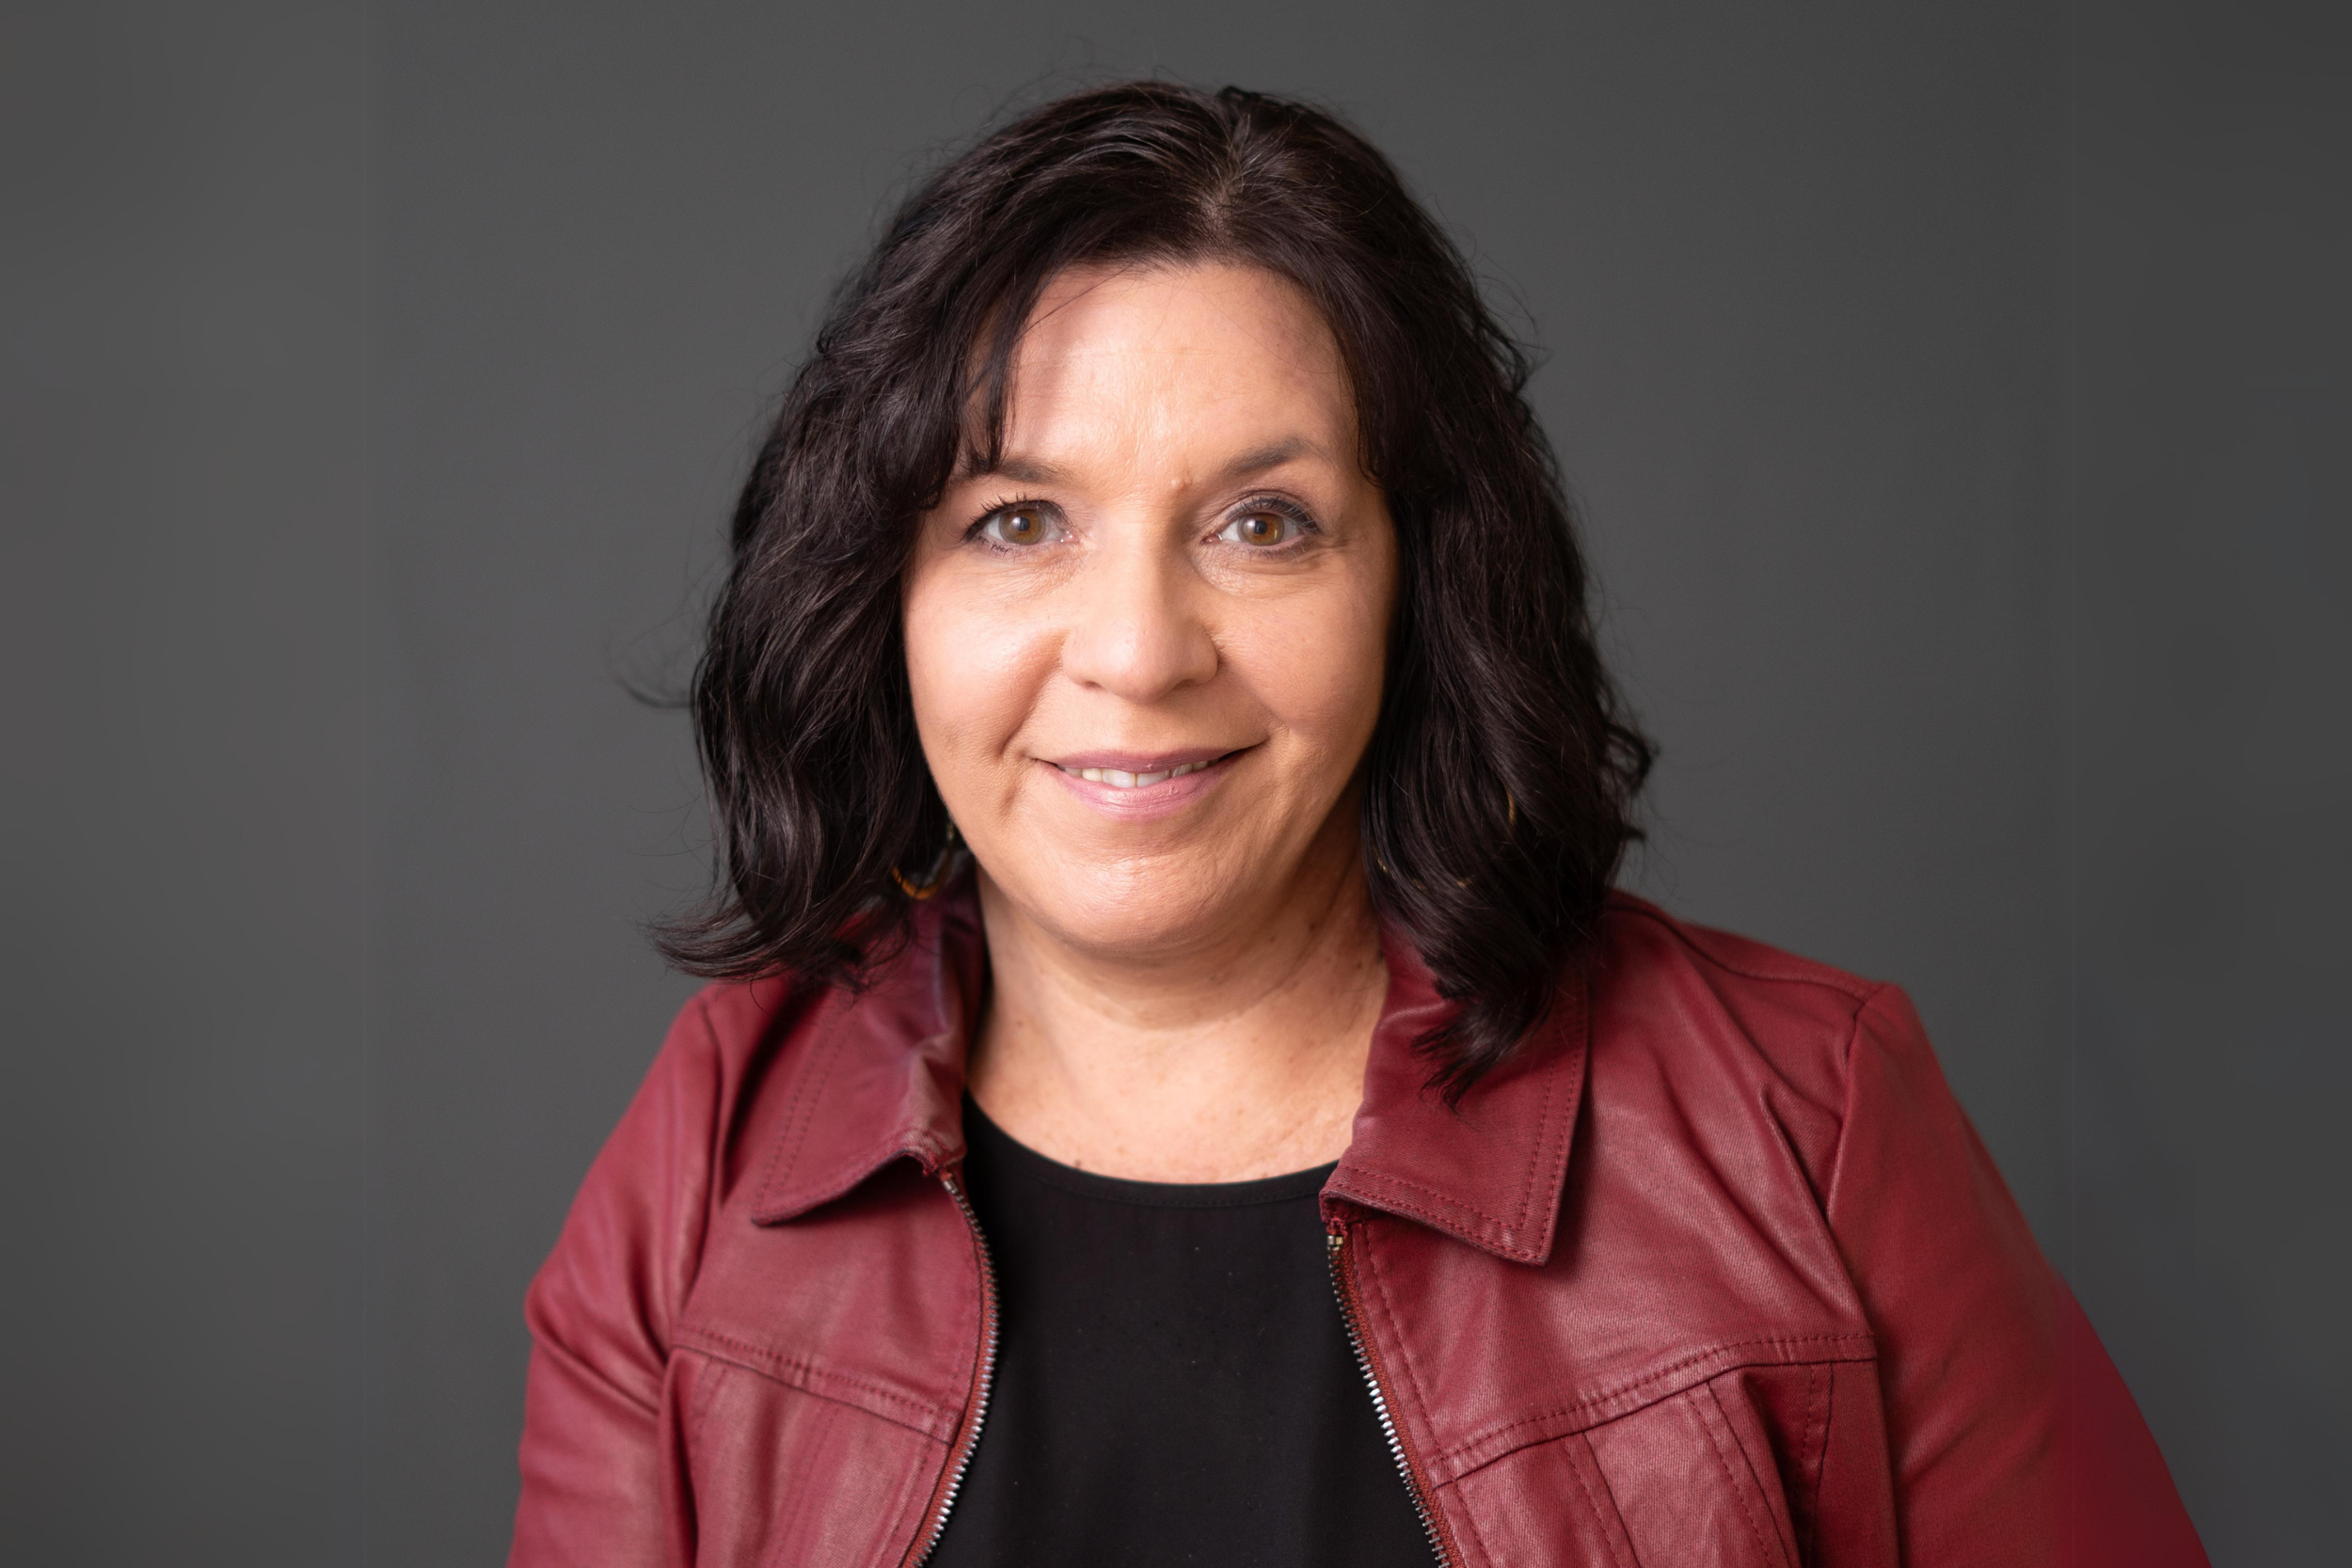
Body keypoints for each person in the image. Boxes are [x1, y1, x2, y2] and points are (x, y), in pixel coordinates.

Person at [508, 82, 2205, 1567]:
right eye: (1019, 518)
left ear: (1416, 582)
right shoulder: (713, 1152)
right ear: (882, 591)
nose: (1138, 652)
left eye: (1262, 521)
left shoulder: (1812, 1126)